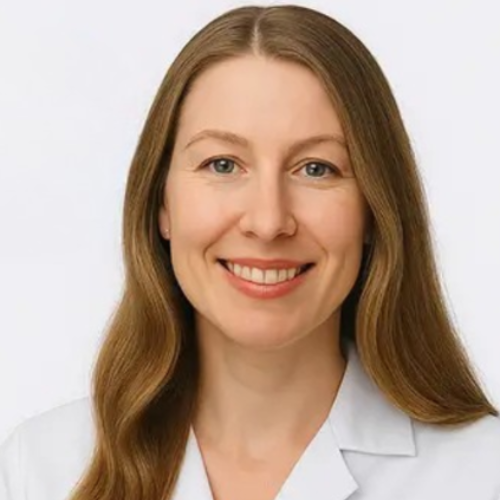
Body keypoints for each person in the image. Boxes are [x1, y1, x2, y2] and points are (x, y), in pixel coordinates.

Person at [1, 4, 500, 500]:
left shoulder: (483, 472)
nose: (267, 221)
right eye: (222, 164)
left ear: (374, 209)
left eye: (316, 168)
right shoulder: (44, 469)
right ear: (161, 202)